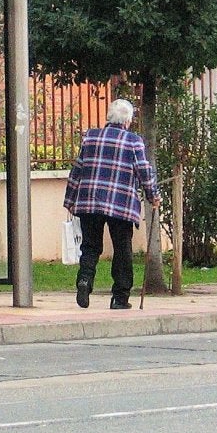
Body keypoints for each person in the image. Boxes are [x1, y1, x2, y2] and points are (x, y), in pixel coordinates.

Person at [63, 99, 161, 310]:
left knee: (90, 245)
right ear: (128, 121)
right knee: (122, 249)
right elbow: (144, 172)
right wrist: (153, 196)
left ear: (109, 117)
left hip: (90, 201)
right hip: (121, 203)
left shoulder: (90, 137)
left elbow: (77, 170)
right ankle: (120, 298)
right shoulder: (133, 141)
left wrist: (69, 200)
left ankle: (85, 280)